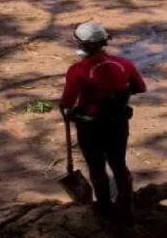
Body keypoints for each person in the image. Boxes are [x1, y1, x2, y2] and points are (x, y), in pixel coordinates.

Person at [59, 22, 147, 222]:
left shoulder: (77, 70)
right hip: (118, 123)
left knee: (96, 166)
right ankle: (126, 206)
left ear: (81, 44)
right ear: (105, 42)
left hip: (90, 126)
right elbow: (140, 87)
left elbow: (67, 102)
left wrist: (66, 111)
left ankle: (105, 209)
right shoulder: (125, 63)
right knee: (118, 163)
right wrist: (115, 97)